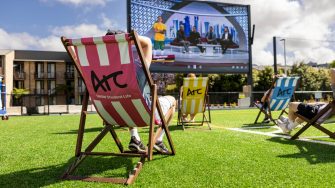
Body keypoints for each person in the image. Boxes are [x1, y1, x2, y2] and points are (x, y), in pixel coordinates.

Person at [106, 30, 176, 154]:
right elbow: (148, 42)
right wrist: (128, 38)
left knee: (125, 100)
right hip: (145, 114)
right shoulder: (137, 66)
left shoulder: (98, 71)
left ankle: (135, 138)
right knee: (172, 100)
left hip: (114, 115)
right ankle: (158, 140)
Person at [276, 69, 335, 133]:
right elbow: (328, 105)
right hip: (319, 113)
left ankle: (288, 126)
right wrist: (315, 103)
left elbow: (332, 70)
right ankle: (288, 123)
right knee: (302, 114)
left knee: (291, 105)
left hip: (316, 114)